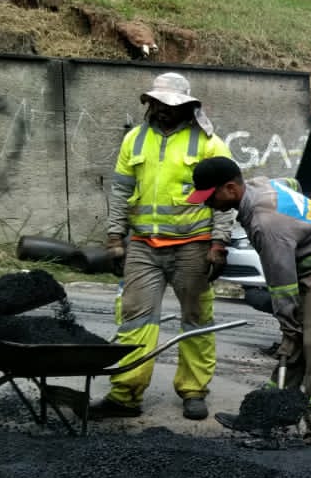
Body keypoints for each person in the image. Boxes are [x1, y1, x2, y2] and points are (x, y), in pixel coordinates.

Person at [92, 73, 236, 421]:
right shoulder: (134, 141)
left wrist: (219, 244)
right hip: (143, 247)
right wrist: (115, 238)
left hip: (193, 246)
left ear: (187, 106)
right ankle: (126, 394)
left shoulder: (208, 143)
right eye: (156, 104)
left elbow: (226, 196)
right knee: (135, 320)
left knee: (196, 320)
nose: (160, 111)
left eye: (168, 106)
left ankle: (193, 390)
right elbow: (121, 192)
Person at [188, 157, 311, 448]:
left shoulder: (266, 224)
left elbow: (282, 286)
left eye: (210, 197)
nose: (207, 204)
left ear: (230, 189)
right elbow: (291, 184)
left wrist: (289, 326)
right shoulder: (259, 186)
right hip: (307, 265)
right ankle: (264, 418)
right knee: (294, 347)